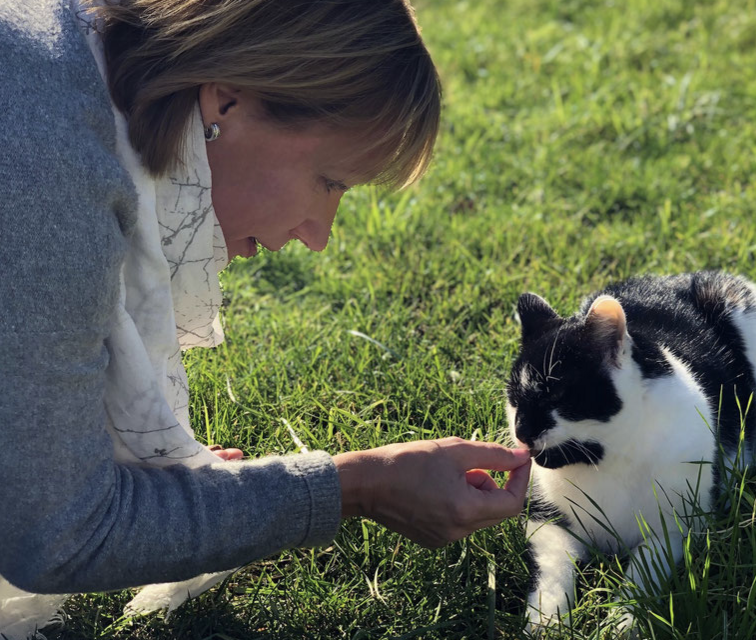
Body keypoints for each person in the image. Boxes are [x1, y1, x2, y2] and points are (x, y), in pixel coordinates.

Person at [0, 0, 531, 635]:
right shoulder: (49, 168)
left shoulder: (64, 60)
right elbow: (59, 533)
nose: (317, 236)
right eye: (330, 182)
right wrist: (357, 485)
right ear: (226, 101)